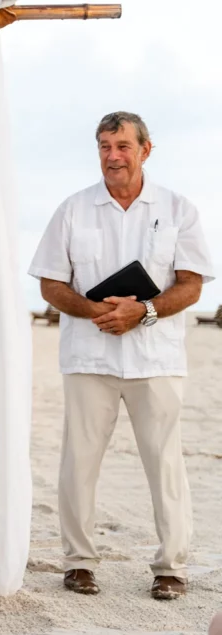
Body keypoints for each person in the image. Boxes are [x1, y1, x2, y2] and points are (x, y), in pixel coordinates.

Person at [28, 112, 214, 600]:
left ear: (145, 150)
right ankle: (78, 562)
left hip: (157, 358)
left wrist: (143, 311)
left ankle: (171, 567)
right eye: (105, 146)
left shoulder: (178, 209)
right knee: (79, 461)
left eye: (123, 146)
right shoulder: (73, 209)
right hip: (89, 357)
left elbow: (191, 285)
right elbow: (50, 281)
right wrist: (95, 311)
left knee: (165, 462)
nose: (113, 155)